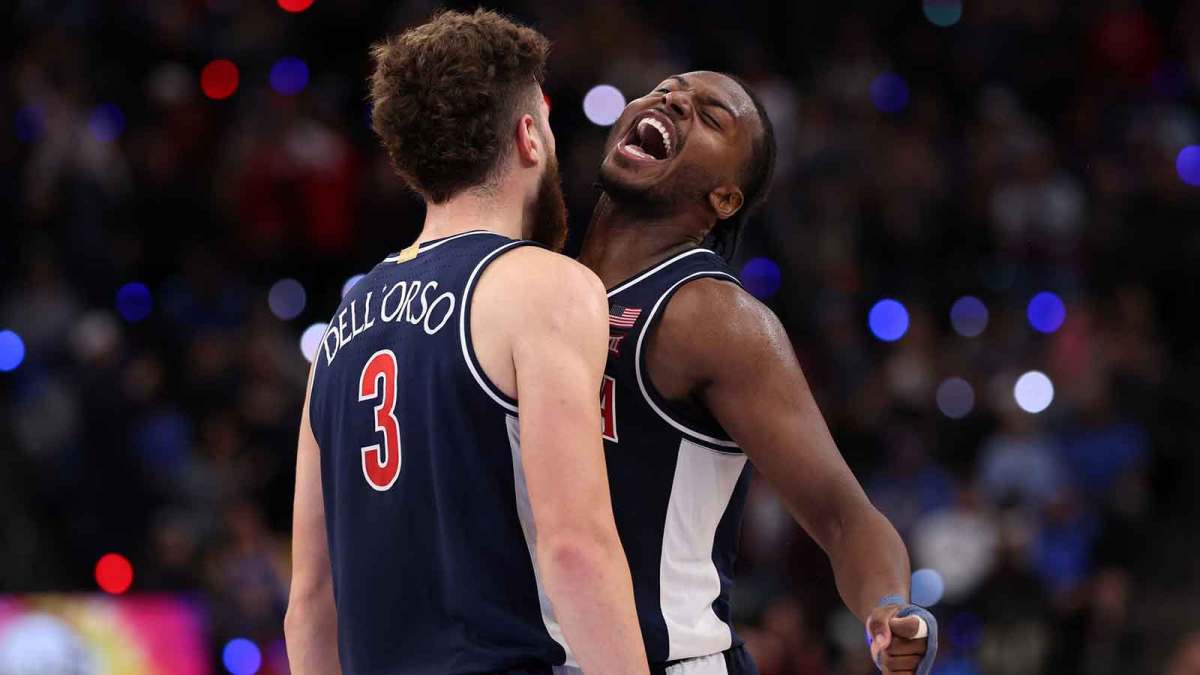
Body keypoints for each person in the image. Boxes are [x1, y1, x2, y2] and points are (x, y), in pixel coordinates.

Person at [285, 10, 648, 675]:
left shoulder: (342, 327)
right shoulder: (543, 285)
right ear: (529, 136)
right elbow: (574, 547)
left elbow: (309, 603)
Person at [579, 71, 937, 675]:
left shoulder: (712, 316)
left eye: (712, 116)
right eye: (668, 88)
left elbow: (842, 515)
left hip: (668, 660)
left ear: (724, 198)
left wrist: (889, 608)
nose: (676, 99)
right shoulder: (540, 282)